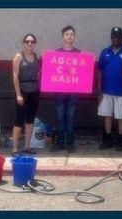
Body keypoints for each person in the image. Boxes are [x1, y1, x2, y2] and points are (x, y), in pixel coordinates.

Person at [97, 27, 122, 151]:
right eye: (114, 36)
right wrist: (99, 89)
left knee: (121, 116)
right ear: (111, 37)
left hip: (121, 90)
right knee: (107, 115)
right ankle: (107, 139)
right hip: (106, 90)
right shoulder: (104, 52)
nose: (116, 38)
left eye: (118, 36)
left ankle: (119, 140)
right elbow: (100, 71)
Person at [50, 25, 82, 153]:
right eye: (67, 34)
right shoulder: (56, 53)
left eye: (72, 34)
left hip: (73, 93)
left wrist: (91, 61)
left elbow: (82, 72)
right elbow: (50, 70)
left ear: (74, 37)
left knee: (70, 117)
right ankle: (59, 143)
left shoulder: (79, 54)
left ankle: (69, 143)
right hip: (59, 92)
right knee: (60, 117)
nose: (69, 36)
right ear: (63, 37)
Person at [11, 33, 40, 156]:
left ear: (35, 44)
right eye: (27, 41)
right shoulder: (18, 57)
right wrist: (18, 94)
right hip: (22, 91)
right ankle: (14, 148)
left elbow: (42, 71)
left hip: (35, 91)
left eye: (32, 41)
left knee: (30, 120)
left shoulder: (37, 57)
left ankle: (27, 147)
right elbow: (15, 76)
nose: (29, 43)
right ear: (23, 43)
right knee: (19, 120)